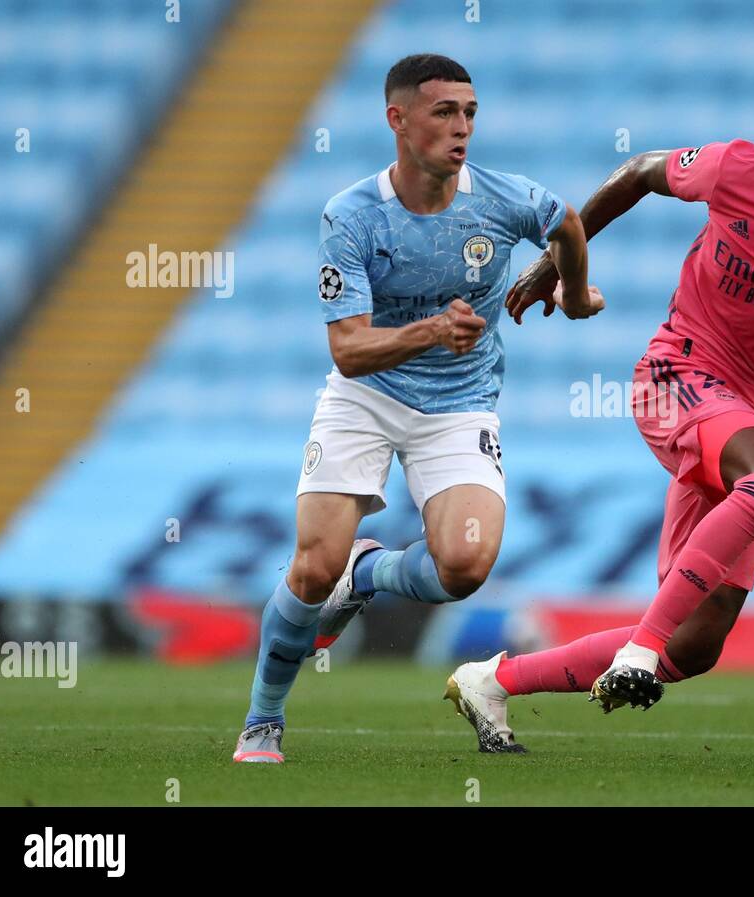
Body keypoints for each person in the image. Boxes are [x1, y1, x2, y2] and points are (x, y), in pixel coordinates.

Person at [443, 65, 754, 752]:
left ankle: (493, 680)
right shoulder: (736, 168)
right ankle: (638, 650)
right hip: (675, 373)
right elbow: (638, 172)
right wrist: (561, 261)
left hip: (747, 422)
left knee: (694, 643)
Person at [233, 54, 603, 763]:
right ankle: (262, 719)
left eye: (470, 112)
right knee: (312, 568)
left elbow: (569, 223)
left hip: (460, 404)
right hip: (366, 397)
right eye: (444, 112)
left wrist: (575, 292)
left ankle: (366, 573)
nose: (462, 127)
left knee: (463, 565)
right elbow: (347, 350)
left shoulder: (503, 197)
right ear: (398, 120)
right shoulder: (351, 215)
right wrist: (432, 330)